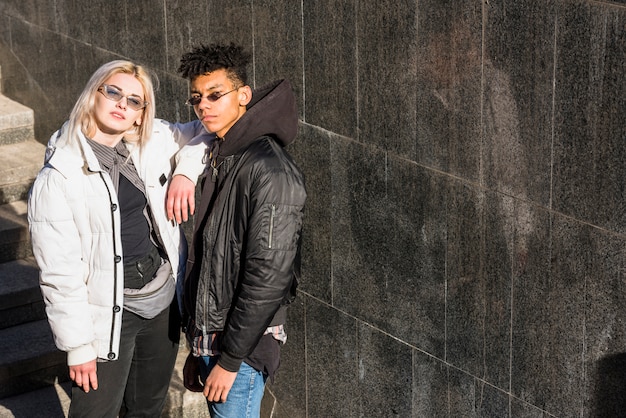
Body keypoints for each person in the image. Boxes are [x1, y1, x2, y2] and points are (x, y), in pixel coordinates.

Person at [27, 60, 208, 417]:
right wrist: (78, 346)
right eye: (113, 92)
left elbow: (208, 131)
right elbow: (60, 273)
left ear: (141, 115)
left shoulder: (152, 141)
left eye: (134, 100)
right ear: (93, 96)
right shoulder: (59, 176)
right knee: (95, 413)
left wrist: (185, 172)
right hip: (108, 315)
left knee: (147, 409)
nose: (122, 103)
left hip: (161, 304)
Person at [171, 42, 306, 417]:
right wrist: (199, 349)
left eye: (215, 95)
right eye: (197, 98)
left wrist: (230, 360)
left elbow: (269, 276)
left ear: (243, 95)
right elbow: (214, 260)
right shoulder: (223, 154)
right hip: (215, 343)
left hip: (242, 351)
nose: (204, 106)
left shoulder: (269, 169)